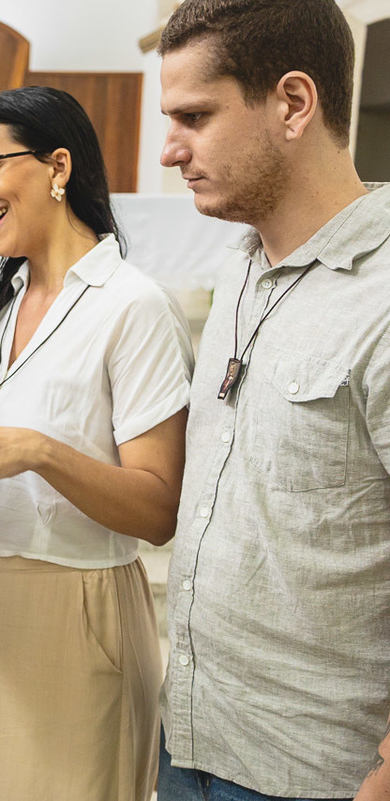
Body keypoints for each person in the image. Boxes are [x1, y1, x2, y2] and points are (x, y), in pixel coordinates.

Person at [0, 86, 194, 800]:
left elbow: (158, 511)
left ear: (58, 165)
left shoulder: (132, 306)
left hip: (72, 612)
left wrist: (38, 450)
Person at [155, 1, 390, 799]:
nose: (167, 150)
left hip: (316, 768)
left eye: (194, 116)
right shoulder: (240, 267)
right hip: (193, 733)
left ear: (292, 104)